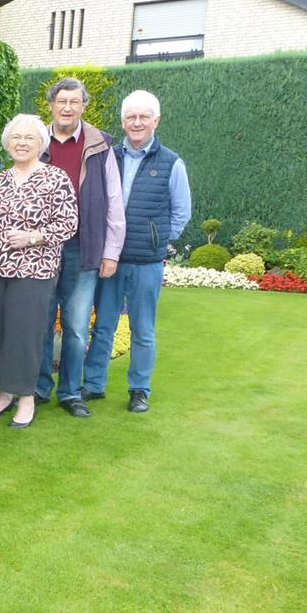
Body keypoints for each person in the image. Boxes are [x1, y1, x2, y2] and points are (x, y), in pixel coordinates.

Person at [82, 90, 191, 413]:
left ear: (156, 121)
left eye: (144, 117)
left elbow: (181, 213)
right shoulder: (107, 157)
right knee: (103, 326)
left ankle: (139, 390)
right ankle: (93, 384)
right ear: (122, 121)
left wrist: (157, 240)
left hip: (147, 262)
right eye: (131, 117)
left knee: (143, 329)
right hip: (109, 260)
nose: (137, 122)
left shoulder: (171, 162)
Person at [33, 77, 125, 418]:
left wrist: (110, 251)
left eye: (74, 102)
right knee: (41, 322)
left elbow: (114, 200)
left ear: (83, 105)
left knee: (74, 326)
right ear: (52, 105)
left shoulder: (100, 146)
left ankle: (71, 392)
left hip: (82, 248)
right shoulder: (36, 140)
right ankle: (40, 387)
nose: (67, 107)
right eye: (61, 101)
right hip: (40, 248)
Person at [0, 114, 78, 428]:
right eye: (16, 138)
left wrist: (33, 237)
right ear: (8, 143)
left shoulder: (55, 178)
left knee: (25, 333)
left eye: (29, 138)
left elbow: (68, 223)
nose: (21, 143)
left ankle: (26, 398)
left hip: (35, 270)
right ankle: (4, 394)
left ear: (40, 143)